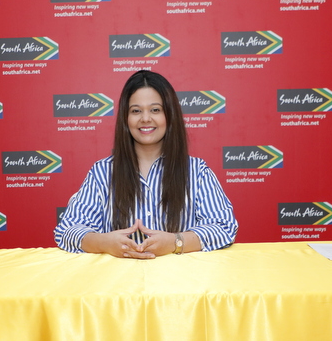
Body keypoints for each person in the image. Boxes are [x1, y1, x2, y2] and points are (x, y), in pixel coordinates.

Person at [54, 70, 238, 258]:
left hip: (180, 276)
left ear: (170, 115)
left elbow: (224, 226)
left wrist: (175, 242)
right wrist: (104, 243)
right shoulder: (102, 172)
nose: (145, 118)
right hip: (121, 276)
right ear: (125, 118)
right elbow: (67, 230)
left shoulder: (196, 172)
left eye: (155, 110)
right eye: (136, 111)